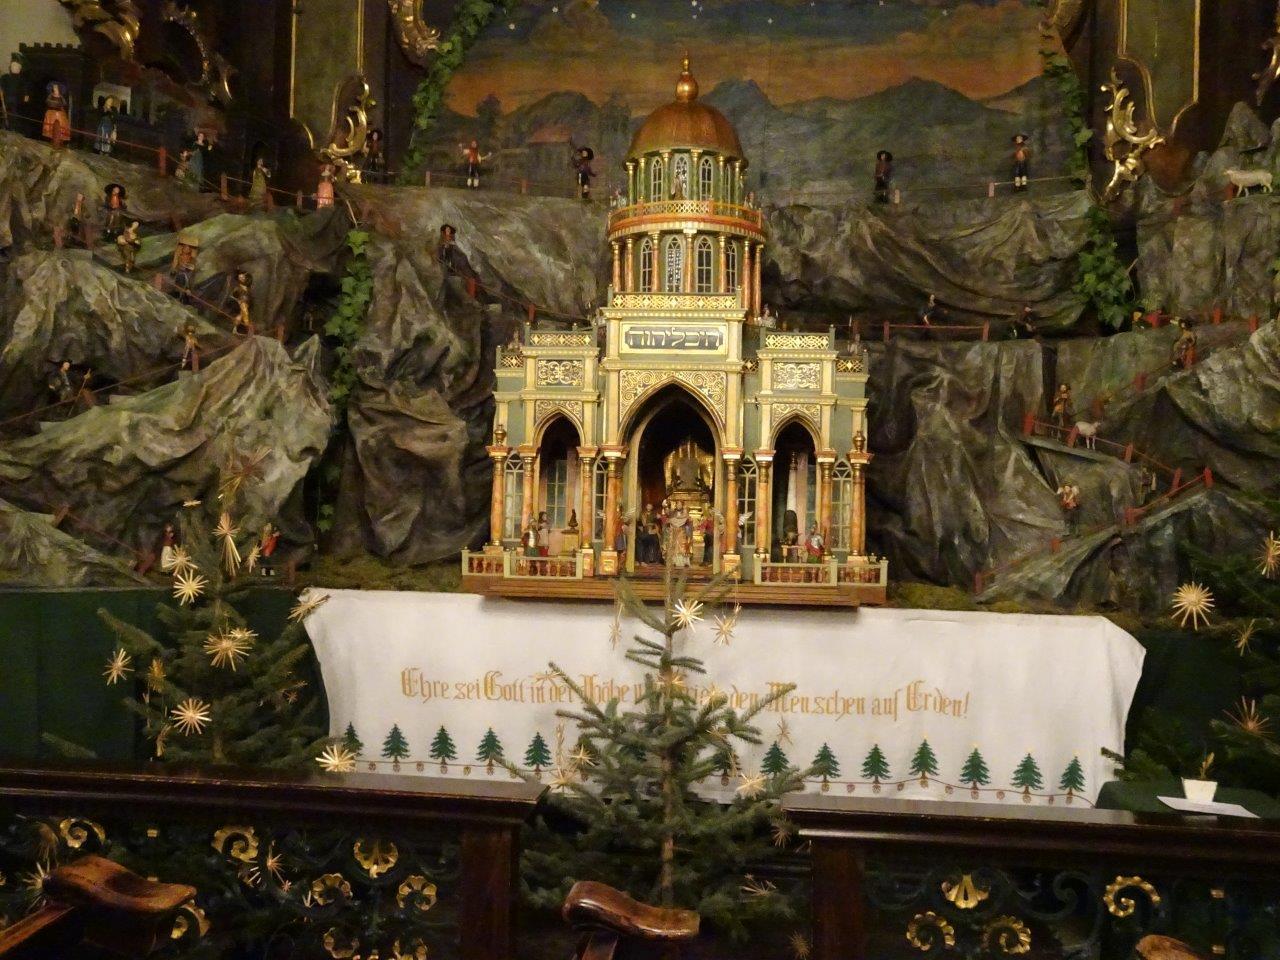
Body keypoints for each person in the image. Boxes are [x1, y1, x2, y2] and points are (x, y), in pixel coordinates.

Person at [42, 81, 70, 147]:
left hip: (60, 112)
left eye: (56, 87)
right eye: (54, 87)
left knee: (61, 124)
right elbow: (47, 101)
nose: (55, 89)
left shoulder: (61, 96)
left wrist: (59, 104)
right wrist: (54, 103)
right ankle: (51, 139)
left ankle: (60, 140)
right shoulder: (51, 95)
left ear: (58, 88)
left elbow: (64, 103)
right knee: (51, 125)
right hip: (51, 113)